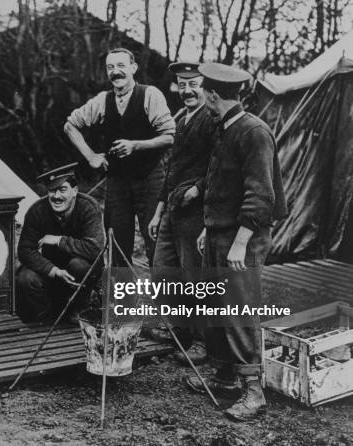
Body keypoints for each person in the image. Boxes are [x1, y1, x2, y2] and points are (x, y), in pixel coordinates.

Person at [185, 63, 287, 421]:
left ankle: (254, 391)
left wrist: (240, 242)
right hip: (220, 231)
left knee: (239, 308)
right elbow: (220, 185)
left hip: (244, 234)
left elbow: (261, 196)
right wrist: (208, 228)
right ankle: (226, 377)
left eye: (204, 94)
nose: (203, 100)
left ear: (213, 95)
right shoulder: (224, 127)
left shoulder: (253, 131)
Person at [64, 47, 175, 265]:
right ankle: (124, 299)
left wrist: (137, 145)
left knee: (156, 240)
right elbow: (70, 126)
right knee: (116, 243)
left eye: (121, 66)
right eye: (110, 67)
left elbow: (170, 136)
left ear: (133, 68)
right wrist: (90, 156)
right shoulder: (102, 100)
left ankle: (163, 298)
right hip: (117, 182)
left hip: (150, 179)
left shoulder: (150, 94)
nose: (116, 72)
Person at [147, 62, 217, 365]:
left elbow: (219, 165)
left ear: (205, 87)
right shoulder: (180, 118)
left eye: (194, 84)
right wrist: (157, 211)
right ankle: (178, 330)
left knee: (194, 277)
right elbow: (171, 171)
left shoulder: (211, 120)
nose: (187, 90)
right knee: (163, 271)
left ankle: (202, 342)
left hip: (195, 211)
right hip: (172, 210)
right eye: (182, 84)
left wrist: (198, 190)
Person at [17, 163, 105, 322]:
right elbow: (25, 250)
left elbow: (96, 248)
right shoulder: (37, 211)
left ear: (75, 191)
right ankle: (46, 319)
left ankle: (77, 310)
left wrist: (59, 240)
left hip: (78, 273)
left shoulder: (88, 207)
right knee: (26, 277)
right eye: (52, 190)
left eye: (62, 190)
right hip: (52, 272)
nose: (56, 196)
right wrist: (53, 270)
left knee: (79, 266)